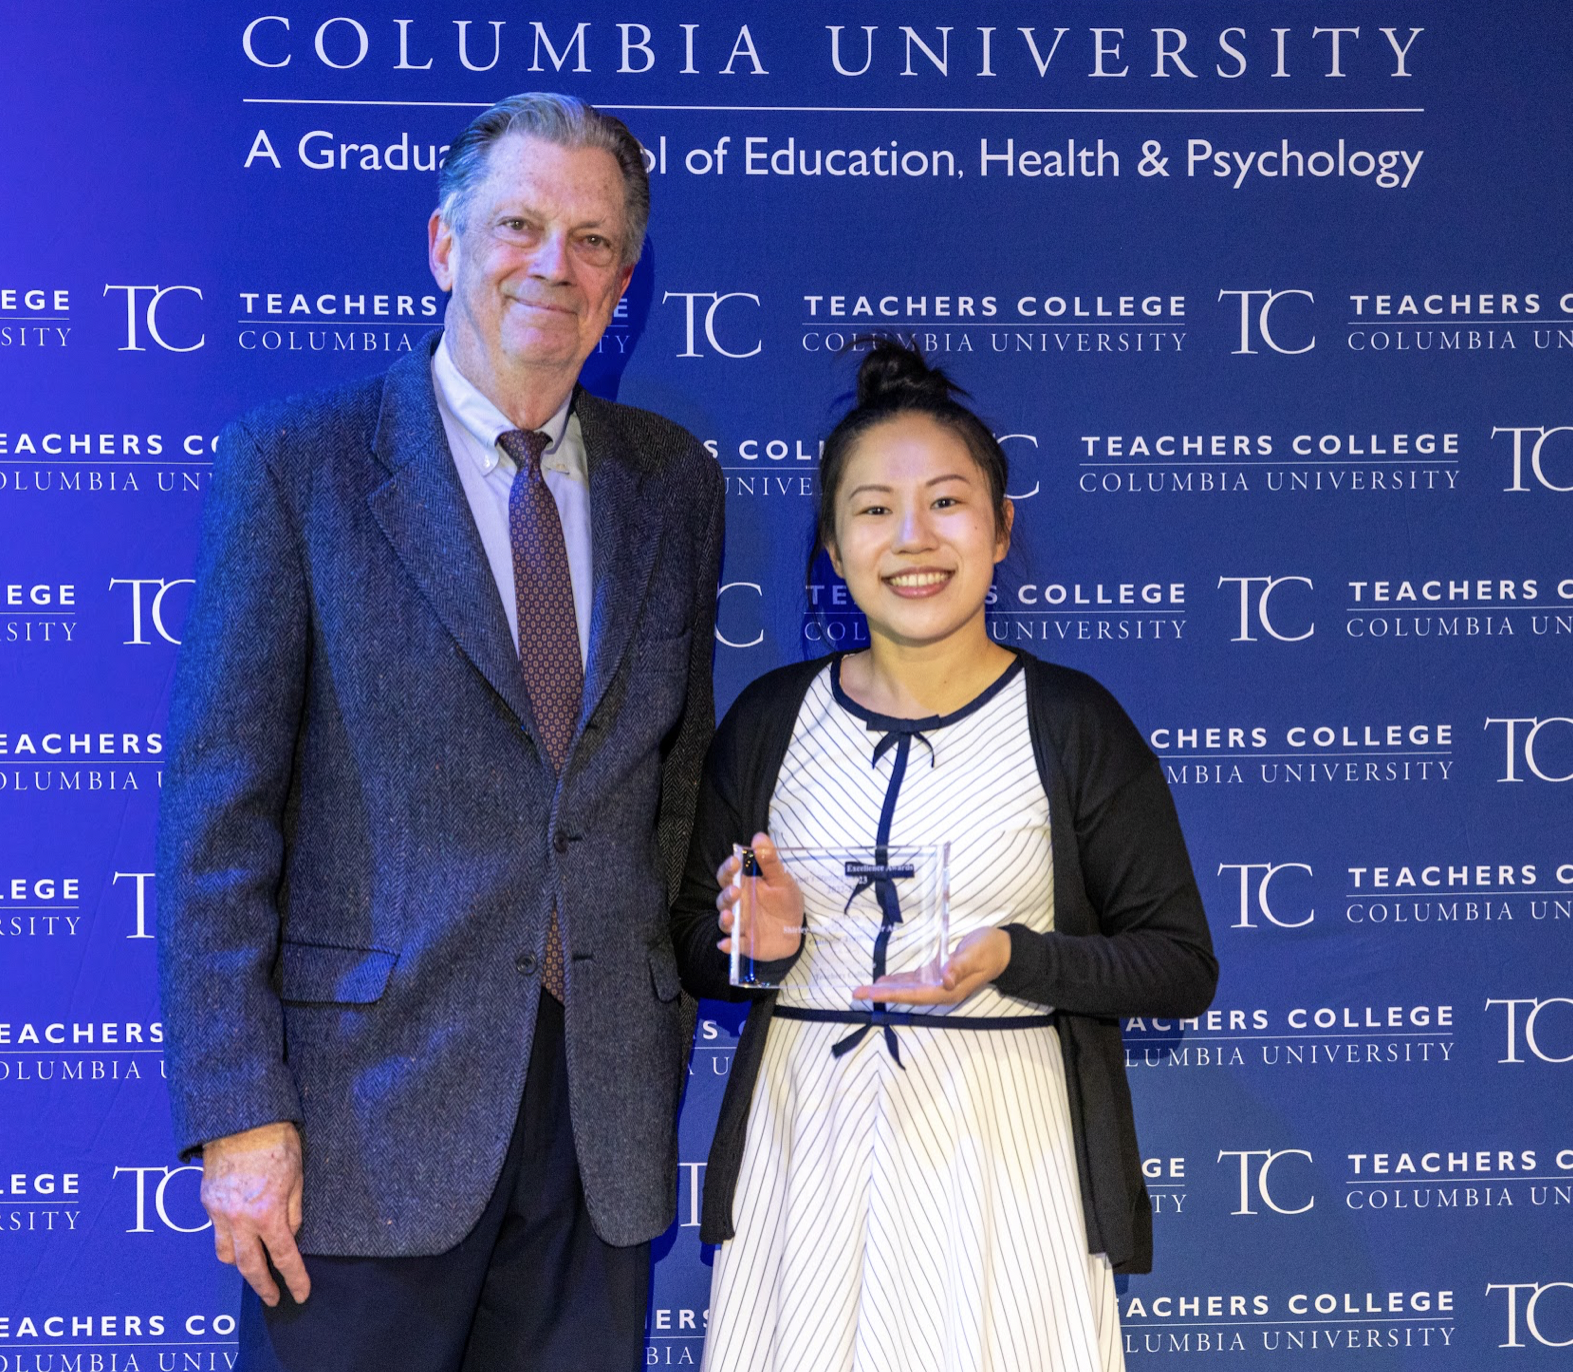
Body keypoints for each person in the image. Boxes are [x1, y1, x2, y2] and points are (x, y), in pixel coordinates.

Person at [156, 92, 722, 1372]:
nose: (553, 265)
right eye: (519, 223)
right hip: (362, 1124)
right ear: (445, 245)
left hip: (599, 1123)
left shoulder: (675, 483)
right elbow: (217, 818)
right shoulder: (296, 465)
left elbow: (673, 795)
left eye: (590, 240)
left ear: (623, 278)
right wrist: (240, 1113)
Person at [671, 340, 1217, 1371]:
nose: (912, 538)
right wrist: (758, 944)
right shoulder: (768, 721)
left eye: (947, 503)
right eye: (874, 509)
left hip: (1009, 1160)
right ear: (832, 548)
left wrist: (1017, 955)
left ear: (1002, 528)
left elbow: (1179, 962)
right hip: (806, 1158)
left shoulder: (1072, 721)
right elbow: (696, 947)